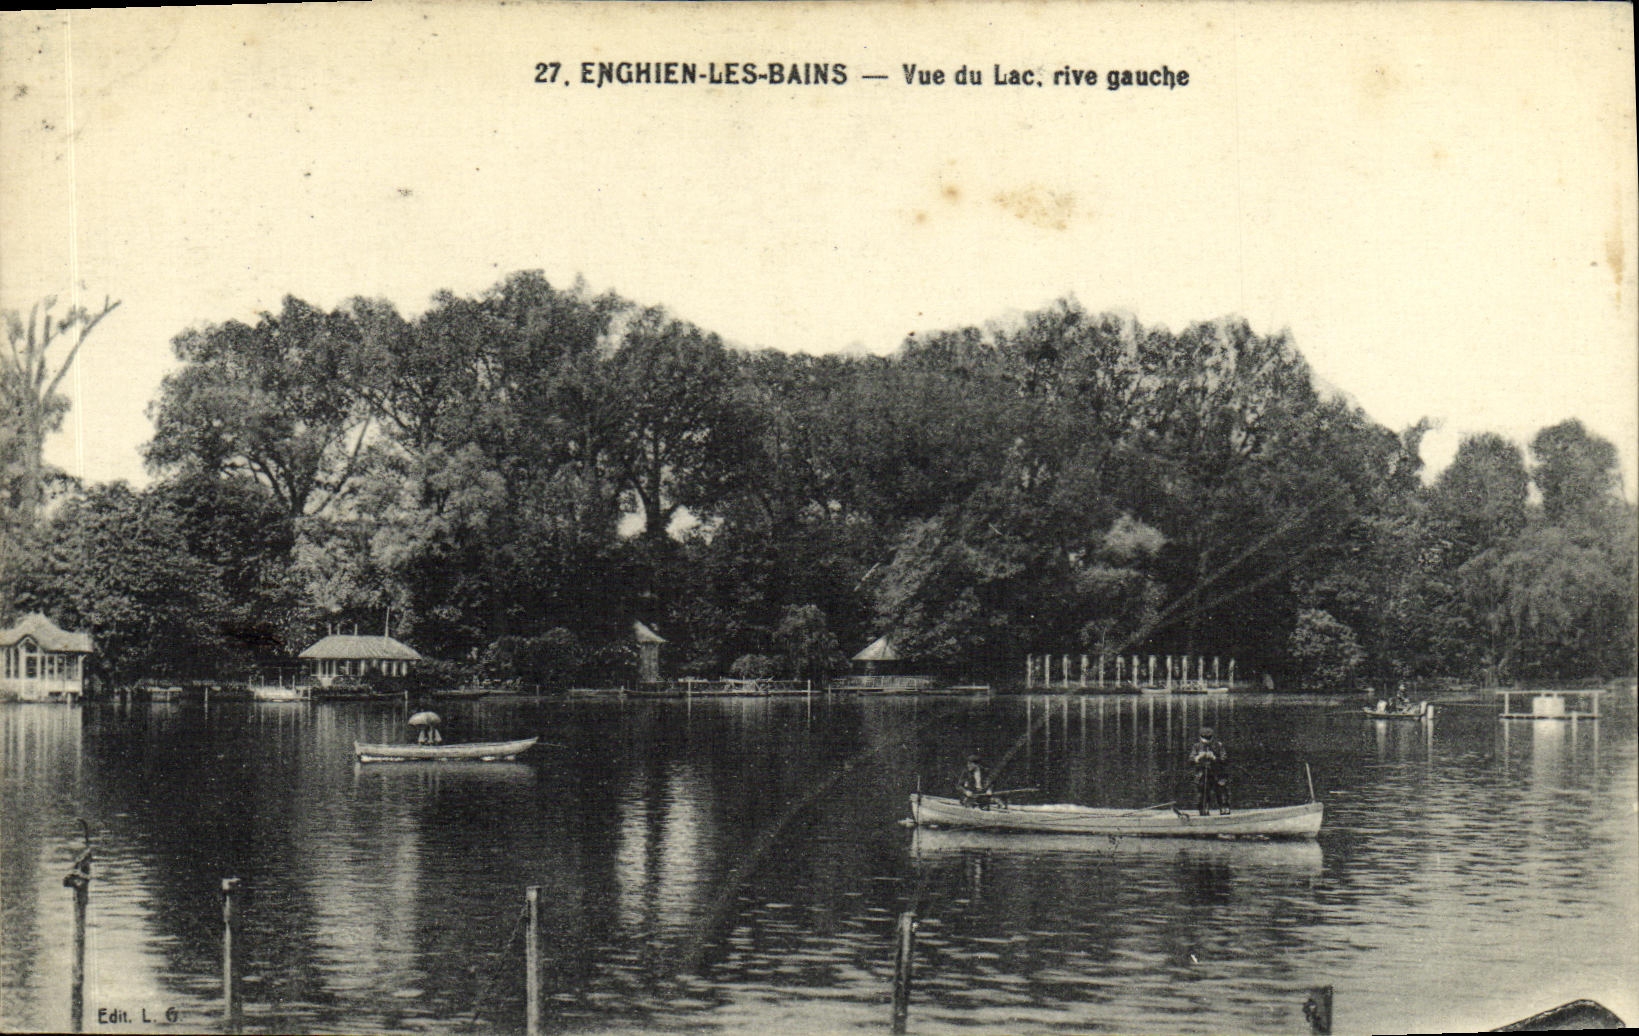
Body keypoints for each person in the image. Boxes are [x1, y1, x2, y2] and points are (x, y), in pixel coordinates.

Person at [1189, 727, 1231, 815]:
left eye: (1209, 738)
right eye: (1204, 738)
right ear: (1200, 737)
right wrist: (1198, 757)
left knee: (1221, 789)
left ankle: (1224, 807)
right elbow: (1191, 759)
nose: (1206, 740)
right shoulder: (1196, 746)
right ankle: (1204, 808)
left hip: (1217, 772)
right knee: (1203, 791)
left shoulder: (1219, 745)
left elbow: (1225, 759)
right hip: (1203, 773)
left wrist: (1214, 758)